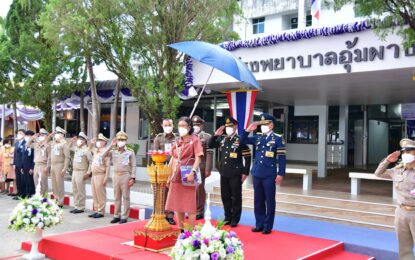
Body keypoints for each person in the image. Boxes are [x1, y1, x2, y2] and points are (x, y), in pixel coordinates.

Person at [240, 113, 286, 235]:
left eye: (265, 124)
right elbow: (242, 140)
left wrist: (281, 174)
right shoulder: (258, 137)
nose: (263, 127)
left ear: (271, 125)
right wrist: (248, 130)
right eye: (261, 125)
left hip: (269, 174)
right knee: (258, 201)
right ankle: (259, 224)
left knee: (269, 201)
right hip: (257, 173)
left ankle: (267, 226)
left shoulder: (277, 138)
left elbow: (282, 158)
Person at [375, 138, 415, 259]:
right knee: (404, 246)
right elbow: (378, 173)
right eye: (403, 152)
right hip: (401, 212)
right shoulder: (397, 170)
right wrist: (388, 160)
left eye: (409, 152)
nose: (405, 155)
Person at [209, 116, 251, 227]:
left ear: (235, 127)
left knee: (236, 196)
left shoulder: (240, 140)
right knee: (225, 196)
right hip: (224, 172)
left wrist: (245, 172)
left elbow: (247, 157)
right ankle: (227, 216)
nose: (228, 129)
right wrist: (216, 135)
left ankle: (235, 218)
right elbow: (210, 145)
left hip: (235, 173)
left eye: (230, 126)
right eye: (227, 127)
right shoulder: (223, 139)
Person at [165, 116, 204, 231]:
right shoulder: (177, 141)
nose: (181, 128)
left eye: (183, 126)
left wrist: (193, 172)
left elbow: (198, 158)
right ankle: (181, 229)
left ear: (189, 127)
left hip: (187, 175)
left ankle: (191, 232)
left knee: (190, 206)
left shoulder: (195, 140)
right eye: (179, 126)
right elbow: (172, 159)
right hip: (175, 175)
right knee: (178, 205)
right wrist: (169, 176)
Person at [105, 131, 136, 224]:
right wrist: (111, 146)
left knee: (126, 196)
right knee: (116, 196)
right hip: (115, 175)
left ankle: (124, 216)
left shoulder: (130, 152)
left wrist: (133, 178)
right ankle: (116, 215)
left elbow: (134, 165)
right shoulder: (113, 151)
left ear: (126, 141)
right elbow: (103, 155)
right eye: (119, 139)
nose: (120, 141)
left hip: (125, 175)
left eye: (122, 140)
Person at [153, 118, 178, 225]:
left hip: (173, 168)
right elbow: (155, 153)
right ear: (163, 126)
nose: (168, 127)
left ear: (173, 125)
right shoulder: (158, 138)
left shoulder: (177, 138)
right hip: (162, 168)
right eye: (166, 125)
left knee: (171, 192)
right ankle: (160, 213)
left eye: (170, 125)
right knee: (161, 192)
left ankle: (170, 215)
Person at [191, 115, 213, 220]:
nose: (195, 126)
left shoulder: (206, 137)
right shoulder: (189, 136)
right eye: (194, 124)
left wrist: (208, 168)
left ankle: (199, 211)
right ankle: (191, 209)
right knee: (190, 189)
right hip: (189, 167)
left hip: (201, 166)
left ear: (202, 125)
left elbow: (209, 153)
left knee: (199, 189)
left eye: (197, 124)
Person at [68, 132, 92, 214]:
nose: (79, 140)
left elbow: (91, 162)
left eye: (81, 139)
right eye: (79, 139)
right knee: (75, 189)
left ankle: (81, 207)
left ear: (84, 141)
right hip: (75, 171)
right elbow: (68, 148)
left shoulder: (87, 150)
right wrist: (72, 141)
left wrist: (88, 172)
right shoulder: (77, 148)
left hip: (82, 171)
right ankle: (76, 206)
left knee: (80, 190)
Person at [89, 133, 110, 218]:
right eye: (98, 140)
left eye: (100, 140)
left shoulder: (106, 152)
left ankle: (101, 211)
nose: (98, 142)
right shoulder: (96, 150)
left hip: (100, 175)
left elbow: (107, 166)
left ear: (104, 142)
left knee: (100, 193)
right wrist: (91, 142)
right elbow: (89, 148)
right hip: (94, 175)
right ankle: (97, 209)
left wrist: (106, 177)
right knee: (95, 193)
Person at [49, 127, 70, 207]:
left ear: (62, 135)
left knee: (59, 183)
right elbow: (46, 142)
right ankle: (56, 199)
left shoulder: (64, 144)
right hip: (53, 165)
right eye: (56, 133)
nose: (56, 135)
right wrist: (50, 136)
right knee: (54, 184)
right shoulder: (54, 143)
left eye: (58, 133)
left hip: (59, 165)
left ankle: (60, 202)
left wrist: (65, 168)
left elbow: (67, 157)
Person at [26, 128, 51, 196]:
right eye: (40, 134)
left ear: (46, 136)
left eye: (43, 135)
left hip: (43, 165)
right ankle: (38, 196)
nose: (41, 136)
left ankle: (44, 198)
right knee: (36, 182)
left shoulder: (48, 145)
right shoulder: (36, 144)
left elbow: (49, 158)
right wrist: (32, 137)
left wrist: (47, 167)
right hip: (36, 165)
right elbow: (27, 144)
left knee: (43, 183)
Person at [13, 129, 26, 199]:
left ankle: (23, 194)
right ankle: (19, 193)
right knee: (18, 180)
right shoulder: (17, 143)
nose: (19, 135)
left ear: (24, 134)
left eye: (20, 133)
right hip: (17, 165)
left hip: (22, 165)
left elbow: (25, 156)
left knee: (22, 180)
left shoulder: (26, 143)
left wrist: (23, 166)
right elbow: (15, 154)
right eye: (18, 133)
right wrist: (14, 164)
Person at [22, 130, 36, 197]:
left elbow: (34, 157)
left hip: (30, 166)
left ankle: (31, 194)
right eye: (26, 135)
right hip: (24, 166)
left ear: (31, 136)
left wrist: (32, 167)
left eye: (28, 135)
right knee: (26, 181)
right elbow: (23, 156)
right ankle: (27, 193)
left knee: (30, 181)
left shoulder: (33, 145)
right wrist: (22, 167)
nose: (26, 137)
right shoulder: (25, 145)